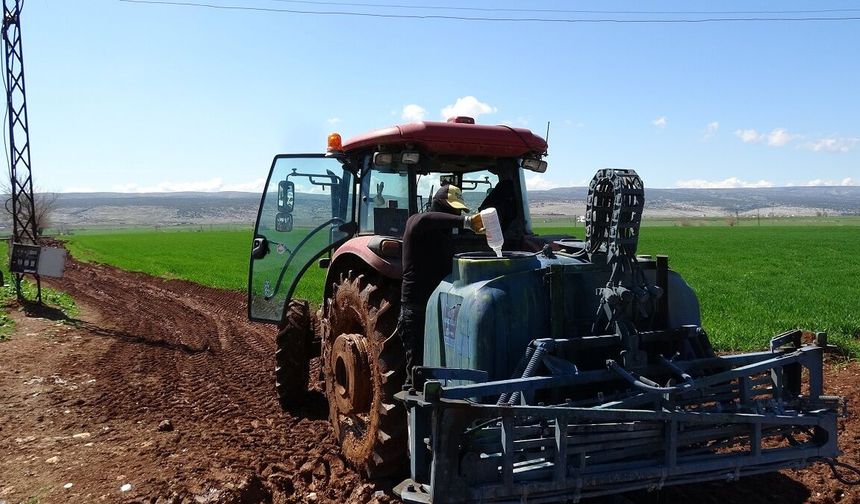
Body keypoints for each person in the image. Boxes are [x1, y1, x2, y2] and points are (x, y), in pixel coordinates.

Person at [398, 184, 483, 387]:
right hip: (417, 310)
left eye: (458, 211)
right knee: (417, 372)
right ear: (438, 205)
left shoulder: (445, 236)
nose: (454, 213)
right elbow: (426, 220)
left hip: (440, 309)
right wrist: (466, 221)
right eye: (451, 209)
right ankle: (413, 412)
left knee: (439, 368)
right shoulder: (417, 223)